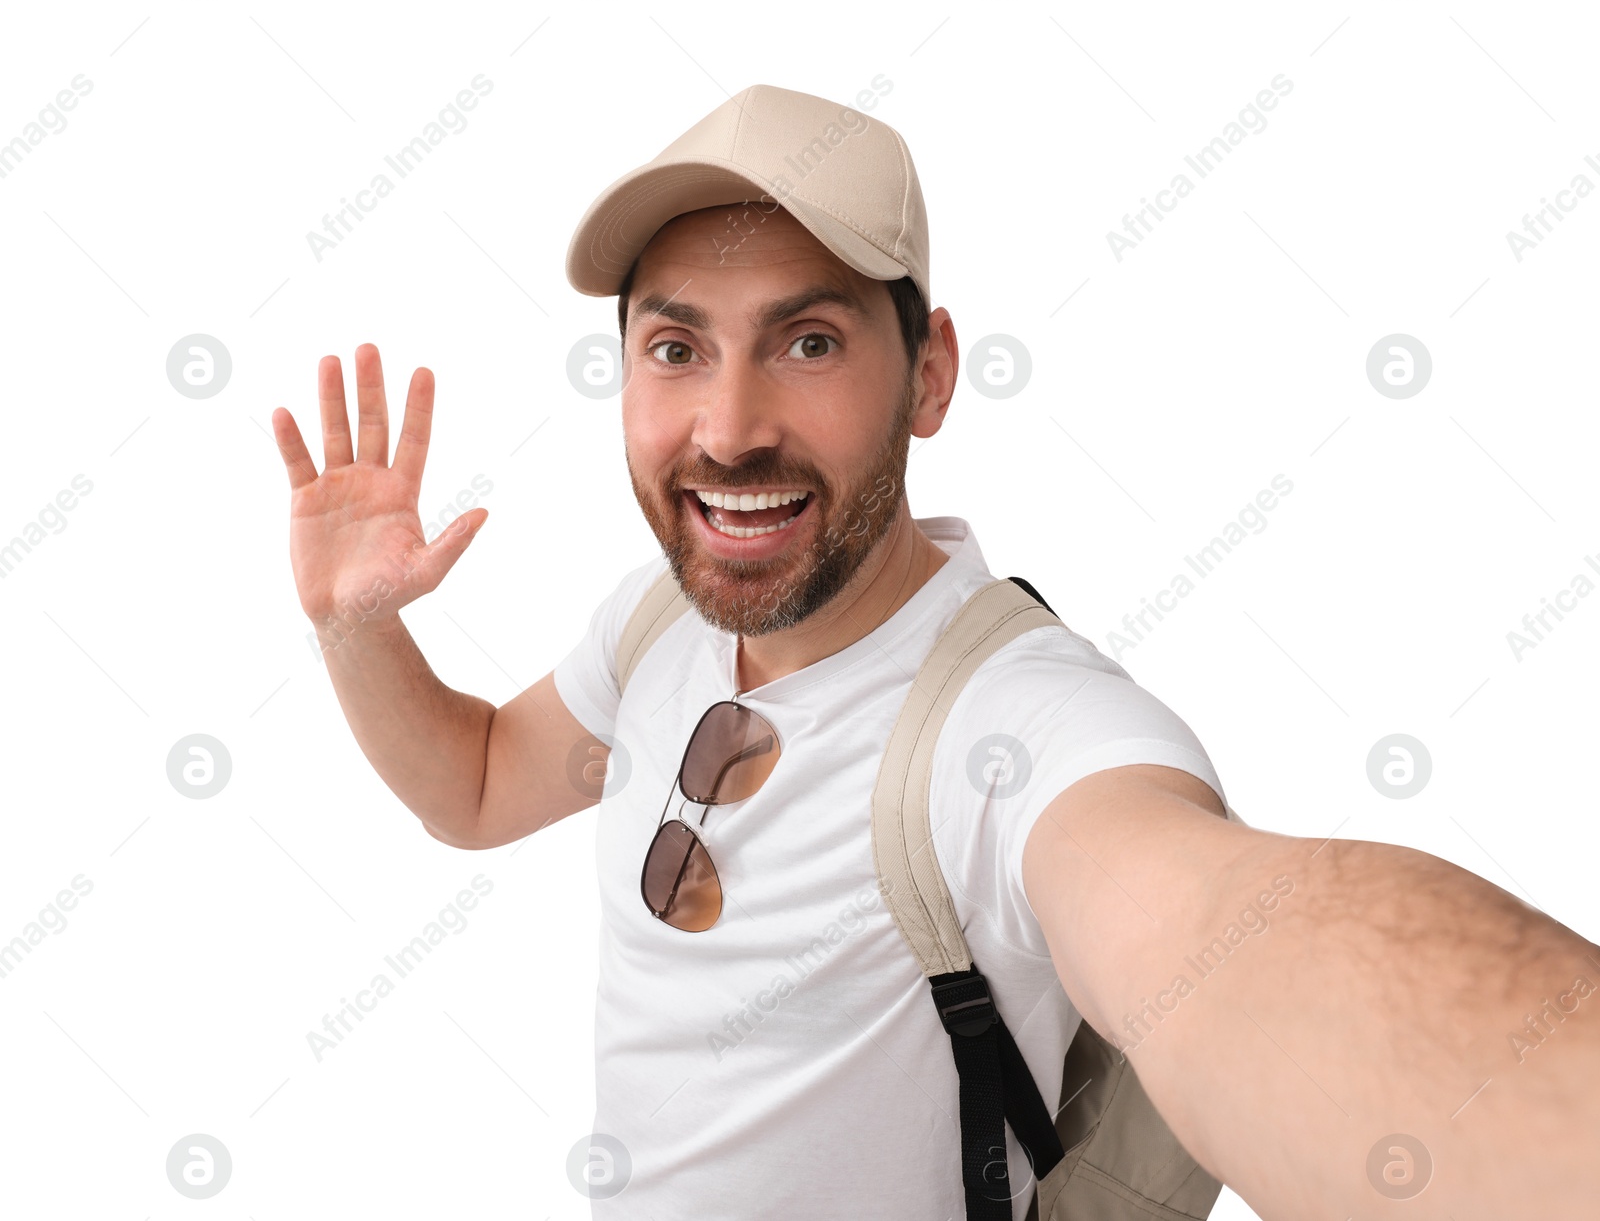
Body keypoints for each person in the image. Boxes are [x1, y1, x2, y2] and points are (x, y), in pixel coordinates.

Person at [271, 85, 1599, 1219]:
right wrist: (354, 626)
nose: (728, 429)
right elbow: (478, 783)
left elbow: (1238, 937)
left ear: (930, 374)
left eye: (809, 340)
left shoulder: (1015, 729)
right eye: (678, 346)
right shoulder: (659, 620)